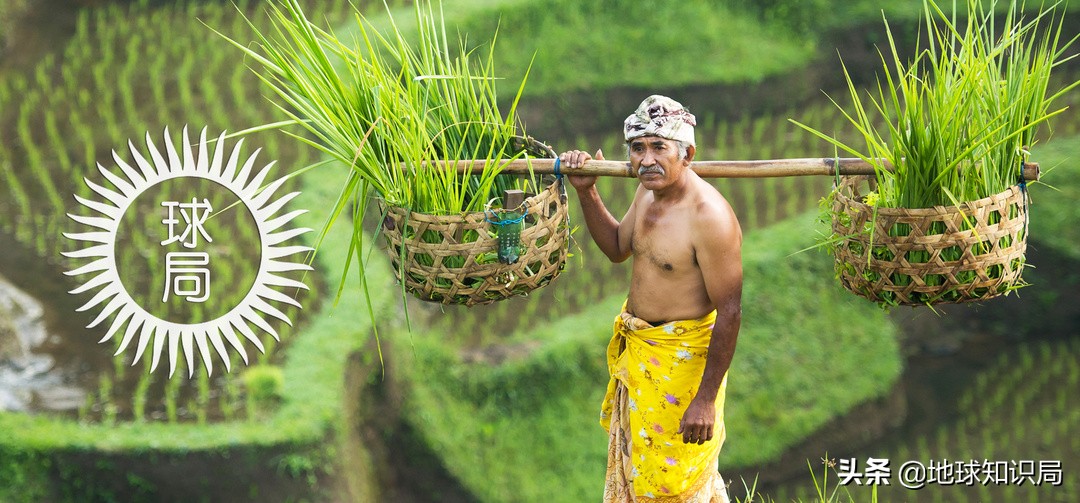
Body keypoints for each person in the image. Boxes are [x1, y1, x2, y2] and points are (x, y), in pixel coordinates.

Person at [560, 95, 743, 502]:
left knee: (672, 483)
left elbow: (730, 311)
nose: (646, 160)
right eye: (637, 148)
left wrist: (706, 400)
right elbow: (617, 248)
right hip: (641, 354)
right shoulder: (647, 193)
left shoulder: (709, 216)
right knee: (637, 472)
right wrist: (586, 192)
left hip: (682, 367)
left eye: (659, 147)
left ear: (687, 154)